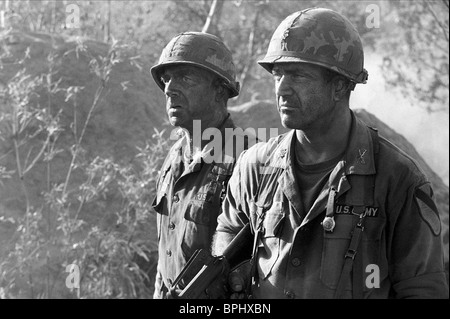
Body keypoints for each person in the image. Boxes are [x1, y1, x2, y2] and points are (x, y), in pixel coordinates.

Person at [212, 8, 449, 299]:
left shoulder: (398, 180)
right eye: (278, 74)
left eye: (297, 75)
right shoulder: (254, 167)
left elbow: (422, 289)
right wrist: (230, 273)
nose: (282, 88)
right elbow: (228, 231)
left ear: (339, 86)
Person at [150, 31, 251, 299]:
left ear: (220, 90)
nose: (169, 88)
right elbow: (166, 257)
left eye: (185, 77)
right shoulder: (174, 158)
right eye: (167, 78)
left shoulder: (246, 160)